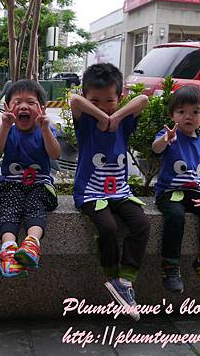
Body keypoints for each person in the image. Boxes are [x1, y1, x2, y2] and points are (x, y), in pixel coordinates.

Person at [70, 63, 149, 320]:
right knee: (108, 228)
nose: (103, 106)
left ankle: (126, 279)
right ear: (87, 97)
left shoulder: (123, 123)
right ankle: (112, 276)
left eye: (109, 101)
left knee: (141, 224)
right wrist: (103, 117)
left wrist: (116, 117)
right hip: (90, 194)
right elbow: (74, 100)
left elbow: (143, 99)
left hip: (120, 193)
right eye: (95, 100)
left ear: (119, 98)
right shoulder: (86, 124)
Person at [152, 85, 200, 294]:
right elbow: (156, 148)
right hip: (169, 193)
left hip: (194, 193)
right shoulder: (170, 136)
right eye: (181, 111)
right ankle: (171, 266)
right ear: (172, 115)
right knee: (175, 216)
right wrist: (165, 139)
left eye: (195, 111)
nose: (188, 116)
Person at [0, 79, 61, 279]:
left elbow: (55, 153)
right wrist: (4, 126)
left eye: (30, 102)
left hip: (40, 185)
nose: (23, 106)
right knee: (9, 207)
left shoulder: (45, 130)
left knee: (35, 206)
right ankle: (8, 249)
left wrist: (45, 129)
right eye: (17, 102)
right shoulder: (8, 130)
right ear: (7, 107)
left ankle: (31, 244)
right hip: (11, 184)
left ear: (42, 109)